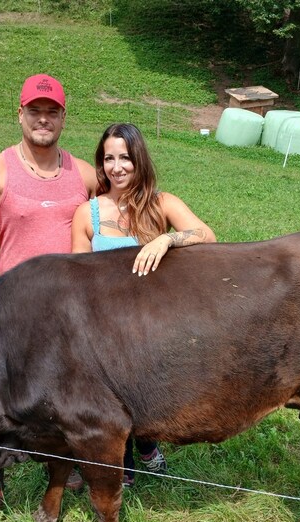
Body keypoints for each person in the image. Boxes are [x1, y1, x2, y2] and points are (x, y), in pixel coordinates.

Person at [0, 73, 98, 522]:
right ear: (20, 114)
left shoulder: (85, 175)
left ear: (62, 118)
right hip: (11, 308)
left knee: (66, 394)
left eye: (51, 111)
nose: (43, 118)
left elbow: (117, 220)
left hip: (69, 312)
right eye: (34, 110)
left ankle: (64, 464)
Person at [71, 122, 217, 485]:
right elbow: (76, 273)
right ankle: (124, 458)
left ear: (139, 160)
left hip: (153, 324)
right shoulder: (86, 213)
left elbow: (208, 235)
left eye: (125, 157)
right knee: (113, 394)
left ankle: (148, 444)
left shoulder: (161, 204)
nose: (116, 167)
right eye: (108, 159)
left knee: (147, 390)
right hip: (105, 324)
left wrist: (166, 239)